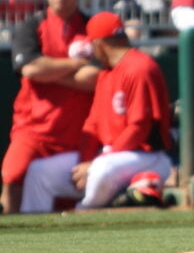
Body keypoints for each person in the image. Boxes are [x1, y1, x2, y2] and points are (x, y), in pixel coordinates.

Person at [20, 12, 173, 212]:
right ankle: (35, 234)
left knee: (101, 170)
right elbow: (92, 125)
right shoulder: (106, 74)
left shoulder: (140, 67)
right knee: (39, 172)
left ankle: (82, 215)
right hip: (111, 156)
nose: (91, 50)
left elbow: (139, 128)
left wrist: (94, 164)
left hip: (146, 157)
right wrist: (85, 162)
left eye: (92, 44)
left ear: (100, 43)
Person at [0, 0, 98, 215]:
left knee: (76, 194)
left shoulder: (92, 27)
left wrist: (49, 72)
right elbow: (30, 68)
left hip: (79, 132)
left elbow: (95, 79)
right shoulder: (30, 26)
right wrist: (76, 63)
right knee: (12, 175)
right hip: (33, 127)